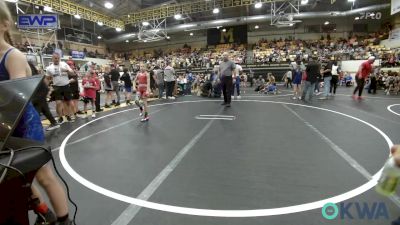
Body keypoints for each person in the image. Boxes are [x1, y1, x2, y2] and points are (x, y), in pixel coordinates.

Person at [0, 2, 71, 224]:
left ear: (4, 24)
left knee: (43, 176)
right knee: (17, 178)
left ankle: (64, 219)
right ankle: (43, 212)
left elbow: (15, 99)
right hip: (3, 125)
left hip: (21, 123)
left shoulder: (13, 57)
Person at [29, 62, 60, 131]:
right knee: (44, 109)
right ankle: (54, 123)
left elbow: (45, 87)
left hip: (39, 93)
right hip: (40, 93)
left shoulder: (33, 74)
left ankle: (37, 128)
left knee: (35, 110)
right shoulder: (32, 73)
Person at [46, 52, 75, 123]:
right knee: (58, 103)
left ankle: (68, 116)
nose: (57, 59)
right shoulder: (49, 68)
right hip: (57, 87)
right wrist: (47, 88)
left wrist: (66, 70)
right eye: (55, 58)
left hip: (66, 86)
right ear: (52, 58)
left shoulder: (64, 64)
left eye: (58, 58)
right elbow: (47, 78)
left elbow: (73, 73)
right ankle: (60, 117)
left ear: (60, 58)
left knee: (68, 102)